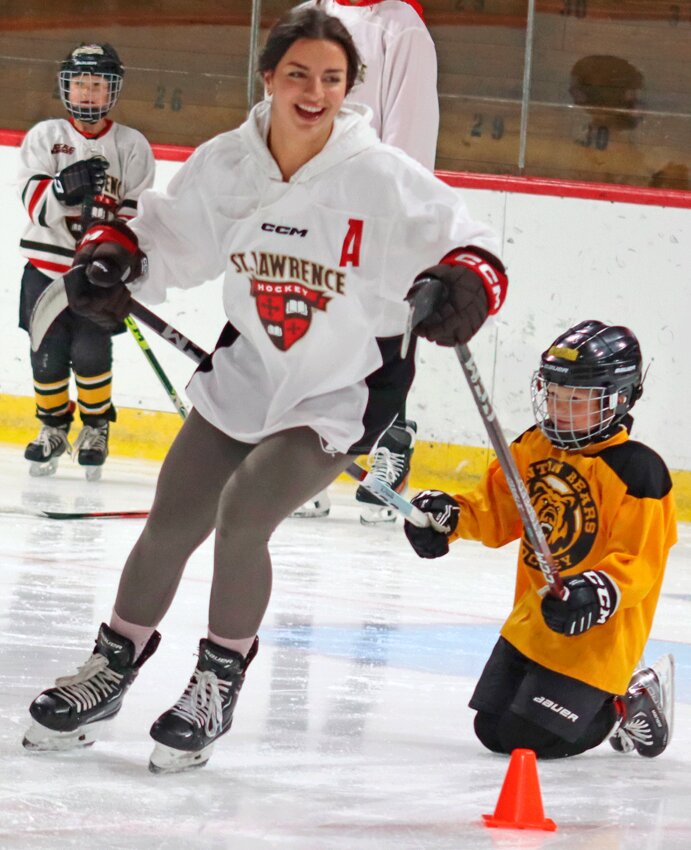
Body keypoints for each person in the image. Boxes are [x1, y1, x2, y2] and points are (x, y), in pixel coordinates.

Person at [22, 7, 507, 774]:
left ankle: (216, 680)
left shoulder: (378, 174)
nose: (314, 92)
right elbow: (165, 235)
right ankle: (113, 665)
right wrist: (115, 257)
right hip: (252, 366)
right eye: (298, 75)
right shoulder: (231, 163)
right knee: (173, 517)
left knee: (244, 513)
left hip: (344, 383)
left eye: (332, 79)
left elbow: (468, 246)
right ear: (270, 78)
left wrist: (464, 285)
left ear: (350, 88)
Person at [404, 320, 677, 759]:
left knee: (529, 740)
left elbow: (640, 563)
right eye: (553, 395)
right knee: (491, 730)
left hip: (595, 641)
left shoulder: (638, 471)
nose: (559, 409)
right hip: (534, 624)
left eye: (575, 399)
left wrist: (596, 591)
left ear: (618, 400)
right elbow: (494, 511)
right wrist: (448, 519)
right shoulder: (534, 445)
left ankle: (628, 698)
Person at [293, 0, 440, 523]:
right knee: (308, 334)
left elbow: (412, 133)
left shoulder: (401, 27)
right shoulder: (309, 12)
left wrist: (395, 213)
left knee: (380, 337)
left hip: (373, 213)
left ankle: (391, 443)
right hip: (312, 206)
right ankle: (302, 461)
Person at [18, 43, 155, 479]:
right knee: (48, 355)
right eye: (81, 84)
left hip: (96, 276)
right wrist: (60, 191)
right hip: (45, 271)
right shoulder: (44, 137)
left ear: (112, 90)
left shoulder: (131, 145)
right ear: (66, 87)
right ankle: (52, 428)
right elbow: (32, 203)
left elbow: (140, 215)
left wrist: (110, 247)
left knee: (92, 352)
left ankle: (96, 429)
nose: (89, 94)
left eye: (98, 85)